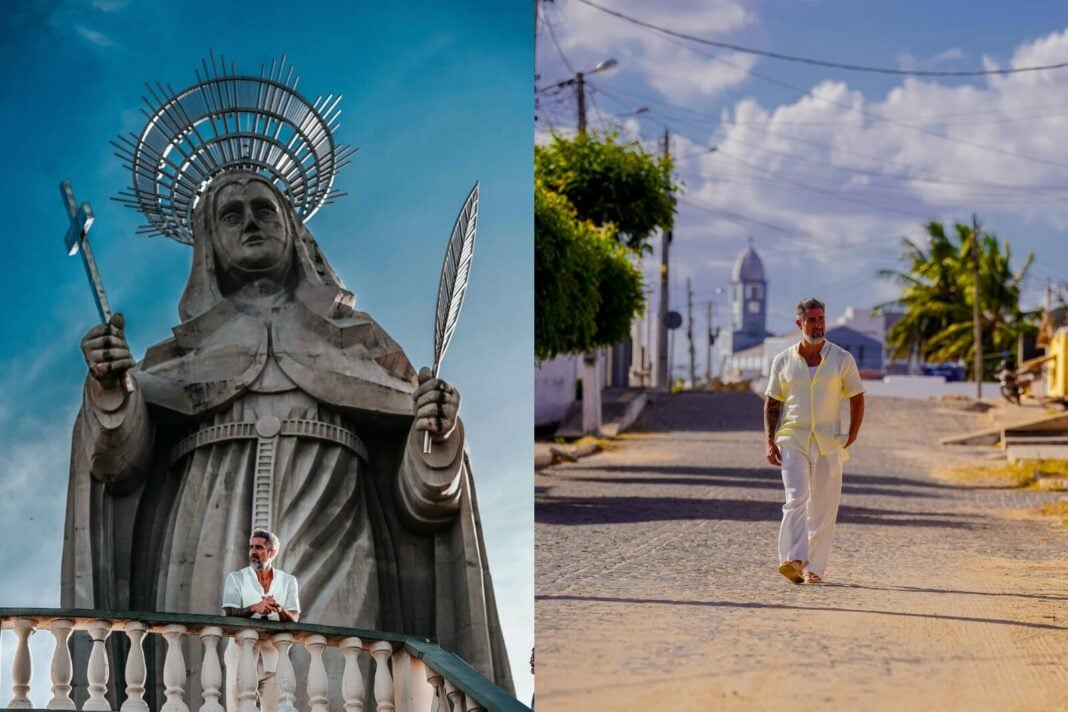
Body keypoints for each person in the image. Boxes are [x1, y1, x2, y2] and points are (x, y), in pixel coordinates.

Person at [61, 172, 513, 705]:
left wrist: (433, 436)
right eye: (231, 214)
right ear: (209, 245)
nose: (250, 221)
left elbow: (424, 503)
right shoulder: (177, 356)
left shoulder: (359, 340)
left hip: (334, 520)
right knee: (208, 682)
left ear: (294, 231)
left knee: (333, 680)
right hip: (205, 522)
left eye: (264, 209)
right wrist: (114, 391)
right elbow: (119, 466)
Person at [764, 297, 865, 584]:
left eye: (821, 319)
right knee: (796, 498)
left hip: (829, 441)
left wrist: (853, 434)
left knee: (824, 505)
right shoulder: (782, 361)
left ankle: (814, 568)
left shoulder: (842, 359)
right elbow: (772, 402)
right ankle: (793, 559)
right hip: (793, 438)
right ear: (799, 323)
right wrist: (770, 441)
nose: (818, 325)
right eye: (812, 320)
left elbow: (857, 397)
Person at [222, 530, 299, 712]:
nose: (252, 552)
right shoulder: (236, 579)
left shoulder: (288, 581)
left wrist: (279, 608)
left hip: (273, 658)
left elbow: (294, 618)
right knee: (238, 709)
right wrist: (254, 608)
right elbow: (229, 613)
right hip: (240, 656)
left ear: (272, 552)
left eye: (258, 547)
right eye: (251, 547)